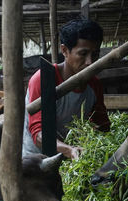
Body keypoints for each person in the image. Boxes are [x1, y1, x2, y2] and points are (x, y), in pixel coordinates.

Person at [23, 18, 110, 159]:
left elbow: (101, 124)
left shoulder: (94, 84)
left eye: (95, 54)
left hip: (73, 157)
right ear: (64, 50)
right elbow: (39, 134)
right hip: (37, 160)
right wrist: (68, 150)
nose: (90, 62)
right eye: (83, 54)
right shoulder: (44, 79)